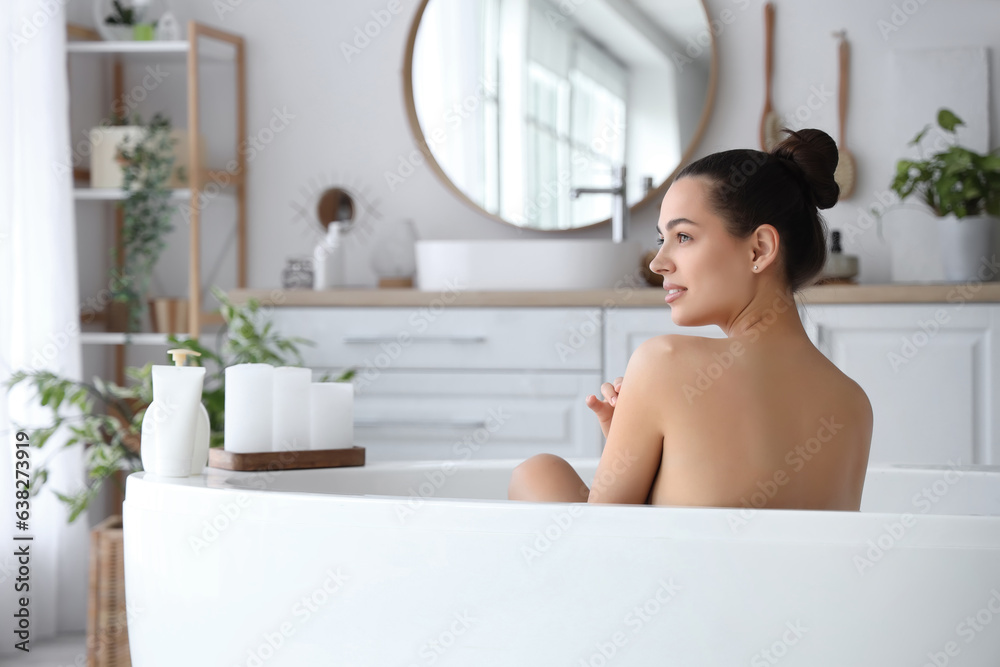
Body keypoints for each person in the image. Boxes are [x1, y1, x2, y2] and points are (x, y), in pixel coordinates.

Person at [507, 128, 873, 511]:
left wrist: (625, 447)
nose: (657, 262)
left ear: (759, 249)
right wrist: (629, 438)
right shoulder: (853, 404)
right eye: (662, 238)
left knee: (538, 472)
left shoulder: (665, 362)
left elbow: (605, 542)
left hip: (670, 573)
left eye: (682, 237)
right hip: (784, 574)